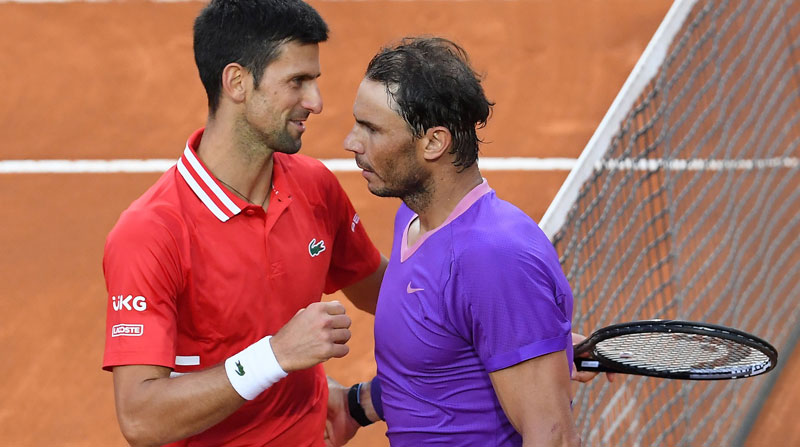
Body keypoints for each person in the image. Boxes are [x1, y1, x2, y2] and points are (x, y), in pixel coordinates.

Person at [101, 1, 387, 446]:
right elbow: (141, 418)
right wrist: (275, 356)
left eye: (314, 81)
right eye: (297, 82)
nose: (316, 102)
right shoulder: (151, 234)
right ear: (237, 82)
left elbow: (385, 293)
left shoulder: (315, 187)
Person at [331, 36, 582, 446]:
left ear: (433, 142)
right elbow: (437, 365)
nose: (351, 142)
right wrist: (358, 406)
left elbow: (552, 436)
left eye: (371, 128)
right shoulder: (412, 219)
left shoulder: (493, 259)